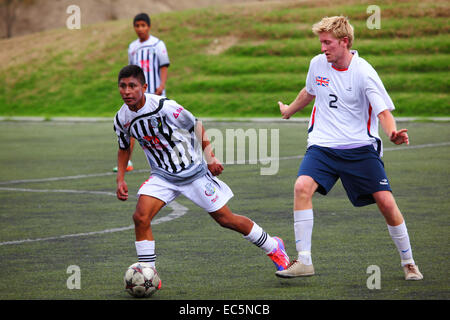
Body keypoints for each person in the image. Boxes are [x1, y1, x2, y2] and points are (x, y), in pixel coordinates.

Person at [114, 65, 290, 288]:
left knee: (226, 219)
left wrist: (211, 158)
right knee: (140, 217)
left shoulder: (164, 106)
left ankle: (274, 247)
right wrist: (120, 179)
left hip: (192, 172)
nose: (127, 91)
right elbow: (123, 147)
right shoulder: (121, 118)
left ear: (144, 87)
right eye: (122, 86)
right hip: (163, 176)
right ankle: (148, 274)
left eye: (132, 86)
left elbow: (196, 124)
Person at [276, 16, 423, 281]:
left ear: (345, 42)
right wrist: (289, 110)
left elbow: (383, 111)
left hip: (359, 148)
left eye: (327, 42)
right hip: (323, 146)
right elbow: (309, 91)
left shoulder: (364, 72)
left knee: (386, 202)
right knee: (301, 187)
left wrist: (392, 133)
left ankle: (408, 261)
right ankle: (304, 261)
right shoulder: (317, 64)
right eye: (321, 42)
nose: (323, 48)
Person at [113, 13, 170, 172]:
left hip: (154, 93)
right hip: (137, 95)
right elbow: (131, 70)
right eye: (137, 26)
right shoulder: (132, 47)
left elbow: (163, 66)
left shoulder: (158, 44)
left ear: (149, 27)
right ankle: (128, 162)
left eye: (143, 25)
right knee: (131, 125)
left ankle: (165, 159)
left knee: (158, 128)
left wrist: (161, 85)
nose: (140, 29)